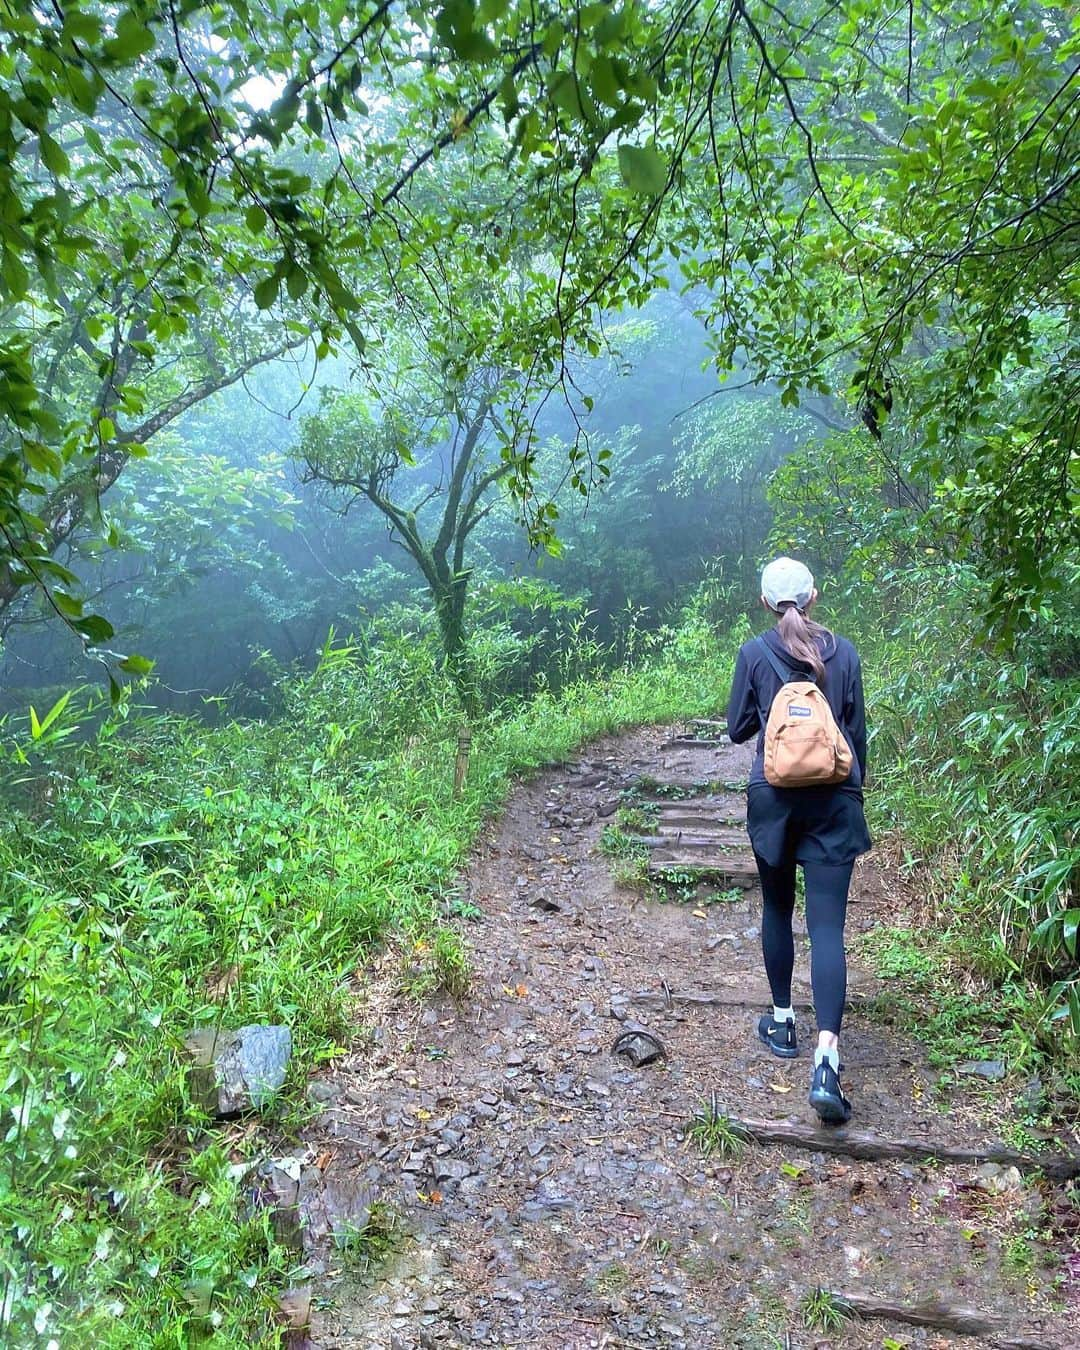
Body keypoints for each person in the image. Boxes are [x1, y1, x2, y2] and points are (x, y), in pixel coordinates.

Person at [725, 557, 871, 1123]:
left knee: (776, 906)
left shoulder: (754, 652)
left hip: (774, 801)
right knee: (828, 925)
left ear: (766, 602)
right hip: (836, 797)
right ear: (813, 596)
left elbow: (739, 727)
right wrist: (853, 791)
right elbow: (854, 733)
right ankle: (827, 1060)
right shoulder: (847, 651)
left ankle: (783, 1022)